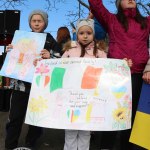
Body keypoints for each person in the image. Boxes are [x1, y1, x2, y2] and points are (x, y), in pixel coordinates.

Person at [62, 18, 132, 150]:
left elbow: (108, 69)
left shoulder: (99, 52)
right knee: (70, 131)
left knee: (85, 131)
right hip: (71, 98)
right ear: (77, 34)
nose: (85, 36)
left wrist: (122, 64)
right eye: (82, 33)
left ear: (93, 34)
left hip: (90, 99)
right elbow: (58, 67)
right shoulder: (70, 50)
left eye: (89, 33)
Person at [88, 0, 150, 149]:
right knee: (113, 112)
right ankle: (106, 146)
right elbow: (96, 5)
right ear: (118, 4)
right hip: (116, 75)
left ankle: (126, 146)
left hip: (138, 75)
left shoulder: (146, 22)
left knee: (132, 116)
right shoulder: (111, 19)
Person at [5, 9, 60, 150]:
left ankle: (30, 144)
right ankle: (10, 146)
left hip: (39, 87)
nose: (36, 23)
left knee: (36, 119)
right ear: (29, 22)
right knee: (15, 118)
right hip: (20, 85)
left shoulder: (49, 39)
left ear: (45, 23)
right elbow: (12, 60)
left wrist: (50, 55)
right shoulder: (21, 37)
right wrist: (10, 51)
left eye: (39, 21)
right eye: (33, 21)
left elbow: (60, 59)